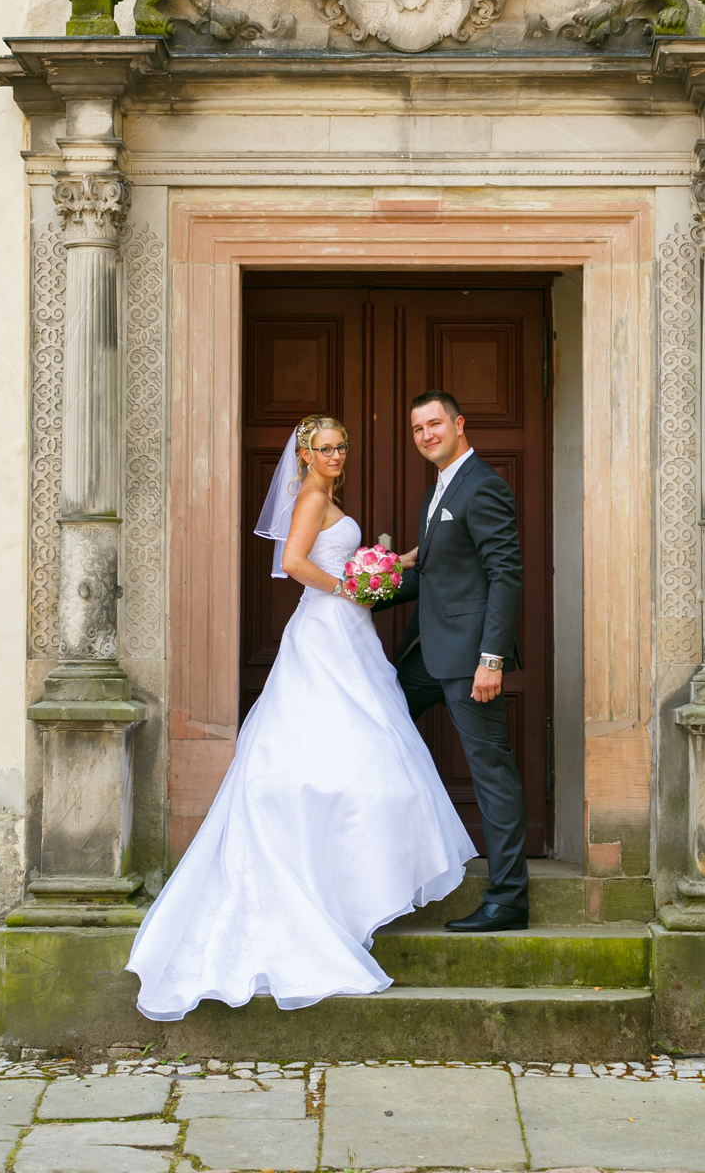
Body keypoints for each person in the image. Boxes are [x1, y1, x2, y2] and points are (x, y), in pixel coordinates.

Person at [127, 415, 474, 1020]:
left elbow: (333, 557)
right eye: (324, 448)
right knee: (337, 748)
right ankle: (334, 890)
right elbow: (293, 562)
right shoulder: (312, 497)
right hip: (326, 630)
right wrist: (349, 586)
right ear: (305, 454)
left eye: (341, 447)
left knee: (363, 745)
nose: (336, 455)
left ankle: (341, 888)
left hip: (349, 630)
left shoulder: (326, 497)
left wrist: (392, 564)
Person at [385, 390, 529, 932]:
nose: (426, 435)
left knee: (492, 775)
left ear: (459, 424)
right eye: (418, 428)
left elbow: (504, 575)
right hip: (426, 655)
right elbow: (431, 576)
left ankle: (508, 898)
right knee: (374, 723)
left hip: (470, 662)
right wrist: (363, 588)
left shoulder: (483, 487)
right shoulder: (436, 492)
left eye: (435, 424)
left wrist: (491, 659)